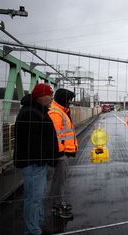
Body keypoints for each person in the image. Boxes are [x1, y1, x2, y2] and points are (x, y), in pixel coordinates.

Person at [14, 83, 61, 235]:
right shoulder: (30, 113)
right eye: (49, 94)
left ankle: (38, 225)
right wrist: (48, 156)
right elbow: (33, 143)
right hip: (34, 164)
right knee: (34, 199)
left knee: (37, 197)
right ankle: (33, 231)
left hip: (38, 163)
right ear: (41, 96)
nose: (51, 97)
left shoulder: (36, 110)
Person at [48, 89, 78, 219]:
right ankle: (57, 207)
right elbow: (56, 135)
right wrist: (60, 153)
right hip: (60, 154)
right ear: (63, 98)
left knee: (59, 181)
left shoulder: (61, 110)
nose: (70, 102)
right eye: (69, 99)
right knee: (59, 181)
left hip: (63, 152)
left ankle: (58, 203)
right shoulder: (56, 112)